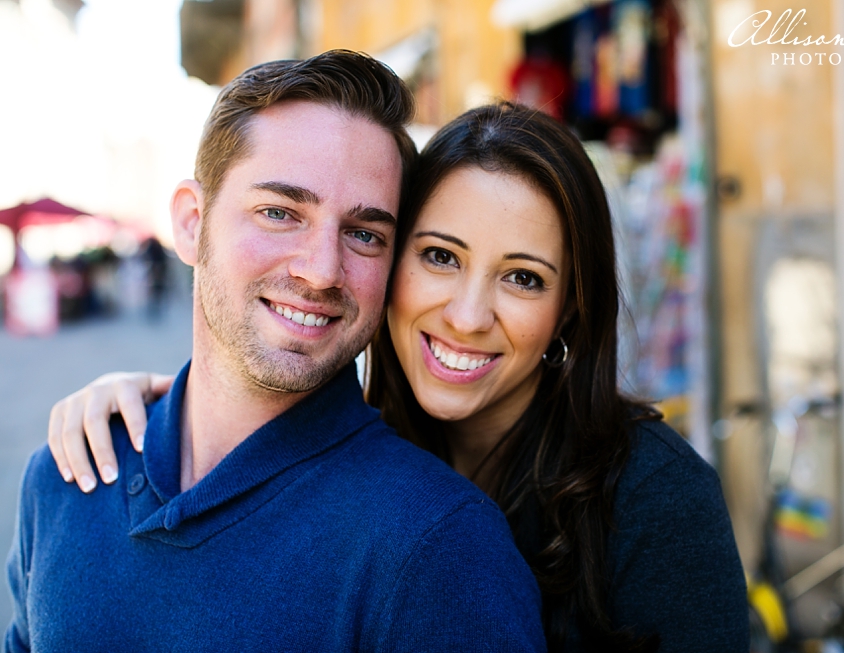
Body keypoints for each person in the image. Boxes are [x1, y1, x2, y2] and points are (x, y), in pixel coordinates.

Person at [45, 104, 749, 651]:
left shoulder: (661, 502)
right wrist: (160, 399)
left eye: (523, 278)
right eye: (441, 257)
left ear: (569, 310)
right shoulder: (364, 447)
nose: (469, 315)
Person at [5, 51, 546, 653]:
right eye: (280, 213)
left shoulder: (439, 547)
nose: (321, 272)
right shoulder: (63, 477)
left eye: (364, 234)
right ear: (191, 222)